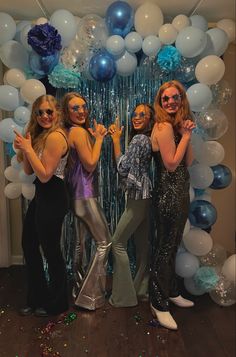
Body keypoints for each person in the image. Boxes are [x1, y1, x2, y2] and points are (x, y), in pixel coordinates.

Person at [14, 95, 69, 317]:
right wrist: (27, 146)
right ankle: (38, 297)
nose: (45, 116)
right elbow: (29, 171)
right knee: (28, 244)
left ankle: (57, 303)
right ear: (35, 116)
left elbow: (46, 175)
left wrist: (28, 149)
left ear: (57, 113)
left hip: (53, 195)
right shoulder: (40, 135)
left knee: (51, 251)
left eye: (49, 112)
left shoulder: (56, 137)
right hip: (42, 195)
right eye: (40, 112)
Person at [149, 80, 196, 330]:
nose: (170, 102)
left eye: (174, 98)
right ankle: (157, 303)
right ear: (160, 101)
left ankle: (171, 291)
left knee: (173, 244)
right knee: (165, 247)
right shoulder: (163, 126)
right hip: (167, 194)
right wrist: (185, 135)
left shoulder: (176, 126)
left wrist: (187, 133)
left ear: (181, 100)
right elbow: (170, 164)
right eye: (165, 98)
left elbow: (188, 161)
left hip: (180, 192)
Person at [62, 92, 111, 311]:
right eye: (75, 108)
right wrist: (99, 139)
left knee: (80, 244)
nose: (82, 111)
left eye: (83, 106)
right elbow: (90, 165)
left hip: (76, 197)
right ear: (66, 112)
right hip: (86, 195)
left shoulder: (69, 131)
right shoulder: (79, 132)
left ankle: (79, 288)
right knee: (104, 242)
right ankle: (90, 295)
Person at [108, 104, 155, 307]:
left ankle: (124, 297)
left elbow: (123, 168)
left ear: (150, 119)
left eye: (142, 115)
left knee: (117, 243)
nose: (136, 117)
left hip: (137, 196)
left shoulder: (138, 139)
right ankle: (141, 290)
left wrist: (116, 141)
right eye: (135, 114)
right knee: (143, 247)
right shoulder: (148, 139)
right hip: (146, 196)